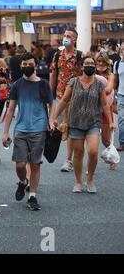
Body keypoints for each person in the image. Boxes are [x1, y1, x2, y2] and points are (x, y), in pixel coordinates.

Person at [50, 56, 113, 194]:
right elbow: (65, 100)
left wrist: (111, 121)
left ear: (95, 66)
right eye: (87, 63)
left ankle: (90, 179)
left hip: (93, 122)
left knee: (93, 151)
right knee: (78, 153)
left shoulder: (99, 84)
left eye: (92, 63)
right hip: (76, 122)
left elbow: (104, 104)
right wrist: (54, 117)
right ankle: (78, 182)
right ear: (82, 66)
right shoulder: (73, 82)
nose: (89, 65)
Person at [2, 53, 54, 211]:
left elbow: (52, 104)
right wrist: (5, 132)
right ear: (21, 66)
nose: (27, 66)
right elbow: (10, 109)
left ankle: (32, 196)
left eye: (29, 64)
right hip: (21, 130)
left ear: (35, 65)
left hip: (39, 129)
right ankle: (23, 181)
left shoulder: (43, 85)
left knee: (35, 164)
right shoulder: (17, 85)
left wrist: (51, 120)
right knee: (20, 165)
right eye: (24, 64)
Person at [50, 29, 83, 173]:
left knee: (71, 129)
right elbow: (54, 75)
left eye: (68, 36)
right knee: (59, 126)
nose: (65, 38)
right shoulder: (57, 55)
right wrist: (50, 96)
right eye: (64, 36)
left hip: (76, 98)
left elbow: (84, 77)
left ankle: (69, 160)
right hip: (59, 96)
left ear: (75, 40)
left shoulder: (80, 56)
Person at [94, 52, 116, 162]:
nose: (101, 63)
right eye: (98, 61)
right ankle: (91, 163)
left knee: (105, 140)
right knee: (92, 138)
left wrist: (93, 91)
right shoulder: (90, 74)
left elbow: (108, 89)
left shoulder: (111, 75)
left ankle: (113, 157)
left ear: (107, 62)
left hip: (106, 108)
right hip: (92, 109)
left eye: (103, 61)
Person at [114, 44, 124, 151]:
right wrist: (114, 92)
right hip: (121, 95)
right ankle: (122, 142)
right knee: (121, 119)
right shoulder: (117, 64)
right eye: (122, 49)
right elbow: (115, 79)